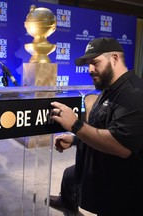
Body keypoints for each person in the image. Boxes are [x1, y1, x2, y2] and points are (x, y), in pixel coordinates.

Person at [50, 37, 143, 215]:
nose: (90, 69)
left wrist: (76, 125)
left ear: (114, 58)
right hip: (107, 188)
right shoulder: (108, 89)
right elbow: (103, 129)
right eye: (88, 64)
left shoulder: (134, 94)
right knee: (71, 175)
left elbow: (121, 146)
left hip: (125, 195)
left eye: (95, 63)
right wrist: (76, 140)